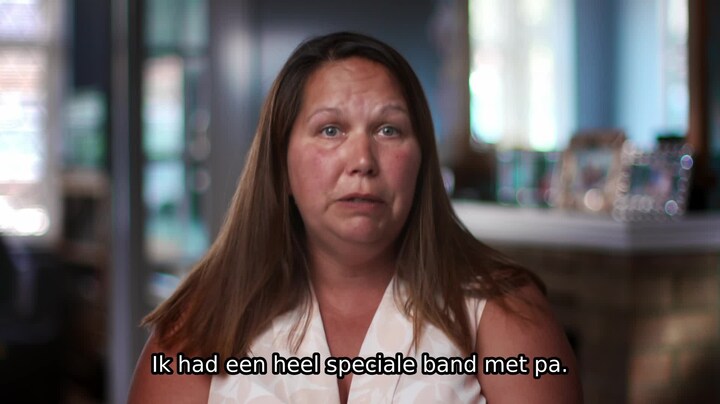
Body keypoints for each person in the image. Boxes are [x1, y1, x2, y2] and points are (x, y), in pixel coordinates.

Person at [128, 32, 582, 403]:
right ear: (281, 166)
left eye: (388, 129)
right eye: (330, 130)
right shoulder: (200, 320)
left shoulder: (503, 311)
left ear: (422, 161)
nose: (362, 160)